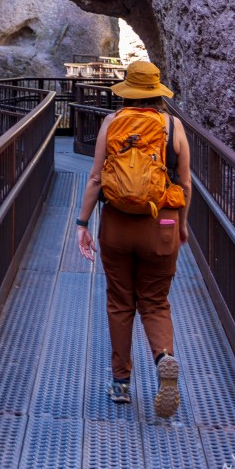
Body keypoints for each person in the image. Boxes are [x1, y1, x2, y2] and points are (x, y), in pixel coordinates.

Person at [75, 59, 191, 417]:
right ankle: (163, 358)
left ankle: (121, 382)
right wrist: (182, 224)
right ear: (157, 92)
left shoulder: (112, 122)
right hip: (163, 224)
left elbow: (96, 178)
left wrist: (82, 223)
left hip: (117, 225)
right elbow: (186, 184)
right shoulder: (173, 126)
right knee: (155, 302)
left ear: (127, 91)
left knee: (120, 301)